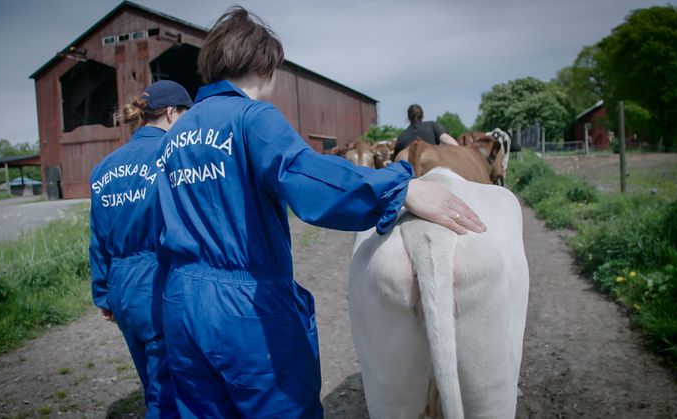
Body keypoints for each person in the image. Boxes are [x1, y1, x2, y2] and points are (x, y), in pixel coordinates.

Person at [155, 7, 486, 418]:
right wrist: (399, 187)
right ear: (265, 64)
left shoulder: (174, 137)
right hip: (243, 310)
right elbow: (304, 176)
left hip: (180, 303)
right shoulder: (250, 117)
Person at [89, 80, 192, 418]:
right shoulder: (172, 155)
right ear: (173, 112)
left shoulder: (103, 167)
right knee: (170, 393)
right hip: (159, 282)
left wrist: (103, 293)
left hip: (122, 287)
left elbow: (98, 237)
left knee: (151, 380)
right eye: (186, 116)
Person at [393, 104, 459, 158]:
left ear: (408, 117)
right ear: (422, 115)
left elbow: (396, 159)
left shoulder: (401, 136)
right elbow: (451, 142)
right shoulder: (432, 125)